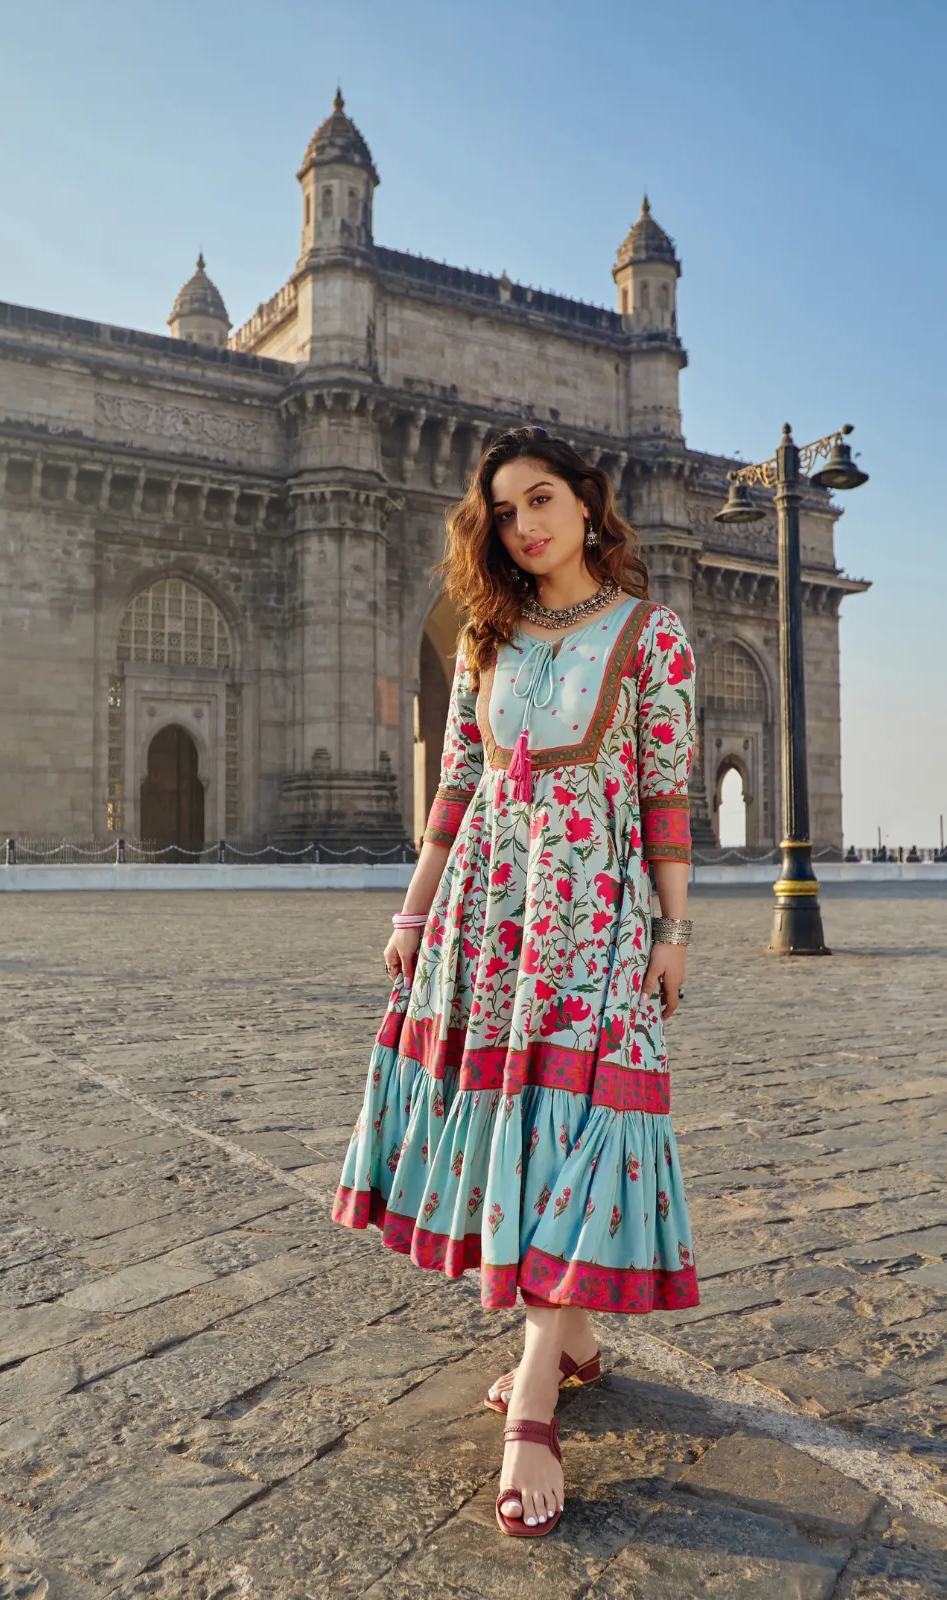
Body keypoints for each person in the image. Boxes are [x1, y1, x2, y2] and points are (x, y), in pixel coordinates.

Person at [333, 427, 698, 1539]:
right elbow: (453, 788)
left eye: (541, 500)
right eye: (503, 511)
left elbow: (665, 798)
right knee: (522, 1119)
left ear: (589, 505)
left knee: (583, 1117)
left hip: (591, 913)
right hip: (490, 915)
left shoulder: (653, 637)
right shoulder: (486, 639)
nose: (525, 524)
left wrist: (674, 931)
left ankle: (533, 1398)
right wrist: (412, 907)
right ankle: (575, 1339)